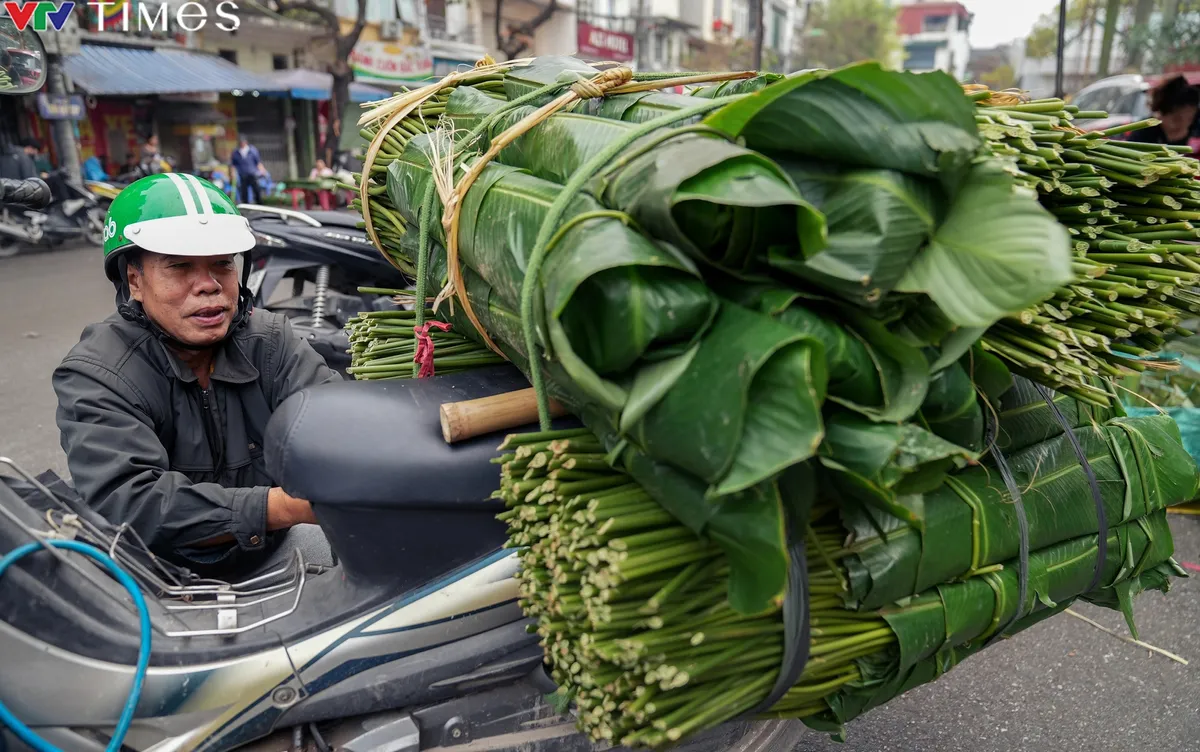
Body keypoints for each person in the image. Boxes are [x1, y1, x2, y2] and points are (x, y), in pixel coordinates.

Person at [52, 173, 341, 576]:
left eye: (222, 264)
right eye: (180, 267)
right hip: (158, 575)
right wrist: (279, 507)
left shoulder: (271, 342)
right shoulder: (97, 374)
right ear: (134, 280)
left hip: (274, 546)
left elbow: (337, 424)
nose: (208, 286)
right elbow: (133, 503)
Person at [1128, 75, 1200, 147]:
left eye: (1189, 119)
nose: (1182, 124)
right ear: (1161, 113)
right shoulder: (1144, 131)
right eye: (1176, 119)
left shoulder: (1197, 128)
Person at [230, 136, 265, 204]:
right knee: (244, 191)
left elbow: (258, 162)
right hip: (243, 174)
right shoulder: (236, 152)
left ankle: (260, 203)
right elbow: (233, 164)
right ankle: (245, 204)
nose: (242, 143)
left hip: (253, 173)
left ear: (246, 142)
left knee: (256, 190)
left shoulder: (252, 150)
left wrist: (262, 170)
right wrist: (232, 173)